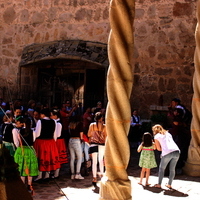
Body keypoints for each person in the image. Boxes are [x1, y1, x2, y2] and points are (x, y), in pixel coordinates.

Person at [13, 117, 38, 194]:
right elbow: (33, 140)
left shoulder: (18, 131)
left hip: (21, 150)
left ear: (23, 123)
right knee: (29, 167)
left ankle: (22, 185)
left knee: (22, 167)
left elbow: (16, 142)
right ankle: (29, 185)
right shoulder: (33, 132)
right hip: (30, 150)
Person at [33, 108, 60, 181]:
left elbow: (37, 134)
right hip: (50, 142)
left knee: (41, 157)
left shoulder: (40, 121)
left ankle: (40, 175)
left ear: (42, 114)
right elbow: (55, 134)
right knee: (48, 158)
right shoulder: (54, 121)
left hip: (41, 142)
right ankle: (47, 175)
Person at [152, 124, 180, 189]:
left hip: (167, 152)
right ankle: (169, 184)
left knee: (162, 168)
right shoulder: (168, 134)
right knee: (172, 169)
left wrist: (157, 146)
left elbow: (158, 148)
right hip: (176, 150)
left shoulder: (156, 136)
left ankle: (159, 184)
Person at [87, 112, 107, 186]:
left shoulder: (92, 125)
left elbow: (89, 134)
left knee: (94, 162)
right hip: (102, 144)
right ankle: (102, 176)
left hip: (93, 144)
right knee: (101, 161)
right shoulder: (104, 126)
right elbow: (106, 136)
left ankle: (94, 178)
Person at [50, 109, 68, 178]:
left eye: (52, 115)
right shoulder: (55, 122)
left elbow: (57, 134)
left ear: (55, 116)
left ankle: (56, 173)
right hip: (57, 141)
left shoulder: (58, 124)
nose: (50, 117)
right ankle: (54, 172)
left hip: (58, 141)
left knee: (58, 157)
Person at [68, 115, 84, 180]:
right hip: (76, 140)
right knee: (79, 158)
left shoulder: (70, 124)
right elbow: (81, 134)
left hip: (70, 140)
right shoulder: (80, 124)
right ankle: (77, 173)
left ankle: (72, 174)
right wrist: (82, 140)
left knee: (72, 158)